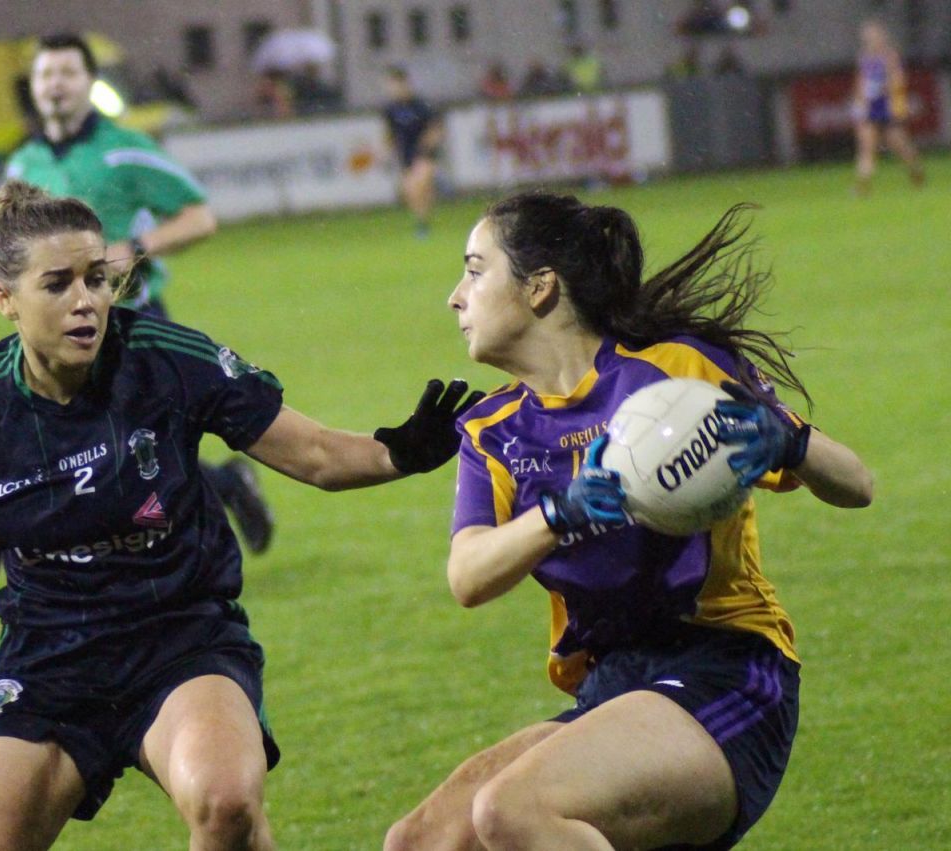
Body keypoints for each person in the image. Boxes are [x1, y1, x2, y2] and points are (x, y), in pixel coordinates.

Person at [0, 180, 482, 850]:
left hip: (180, 641)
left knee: (227, 801)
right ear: (4, 299)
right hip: (48, 664)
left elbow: (317, 454)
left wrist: (398, 453)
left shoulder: (164, 359)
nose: (85, 300)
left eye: (98, 277)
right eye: (57, 283)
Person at [385, 192, 873, 851]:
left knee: (512, 810)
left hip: (725, 670)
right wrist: (558, 514)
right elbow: (467, 575)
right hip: (613, 687)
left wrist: (792, 443)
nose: (455, 295)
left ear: (539, 289)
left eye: (475, 270)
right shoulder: (491, 430)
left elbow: (858, 484)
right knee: (417, 842)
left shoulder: (677, 374)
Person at [0, 33, 277, 554]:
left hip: (132, 315)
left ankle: (184, 530)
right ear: (33, 88)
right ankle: (217, 493)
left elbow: (199, 216)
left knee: (136, 441)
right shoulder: (24, 165)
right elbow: (21, 250)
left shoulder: (124, 150)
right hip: (61, 330)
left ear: (88, 83)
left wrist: (138, 245)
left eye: (66, 73)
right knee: (117, 444)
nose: (54, 84)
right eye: (44, 75)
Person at [853, 19, 925, 196]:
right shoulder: (864, 58)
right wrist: (859, 102)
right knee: (867, 147)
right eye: (867, 36)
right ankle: (863, 186)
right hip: (870, 108)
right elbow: (861, 83)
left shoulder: (890, 57)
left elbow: (898, 81)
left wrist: (885, 91)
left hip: (887, 107)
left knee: (899, 145)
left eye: (873, 35)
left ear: (881, 37)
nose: (870, 39)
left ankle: (915, 170)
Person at [382, 66, 443, 239]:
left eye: (396, 85)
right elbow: (389, 135)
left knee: (419, 185)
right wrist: (387, 153)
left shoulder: (421, 105)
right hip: (406, 155)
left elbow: (435, 128)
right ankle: (422, 219)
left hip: (424, 154)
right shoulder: (390, 110)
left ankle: (422, 224)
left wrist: (426, 147)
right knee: (410, 192)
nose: (393, 89)